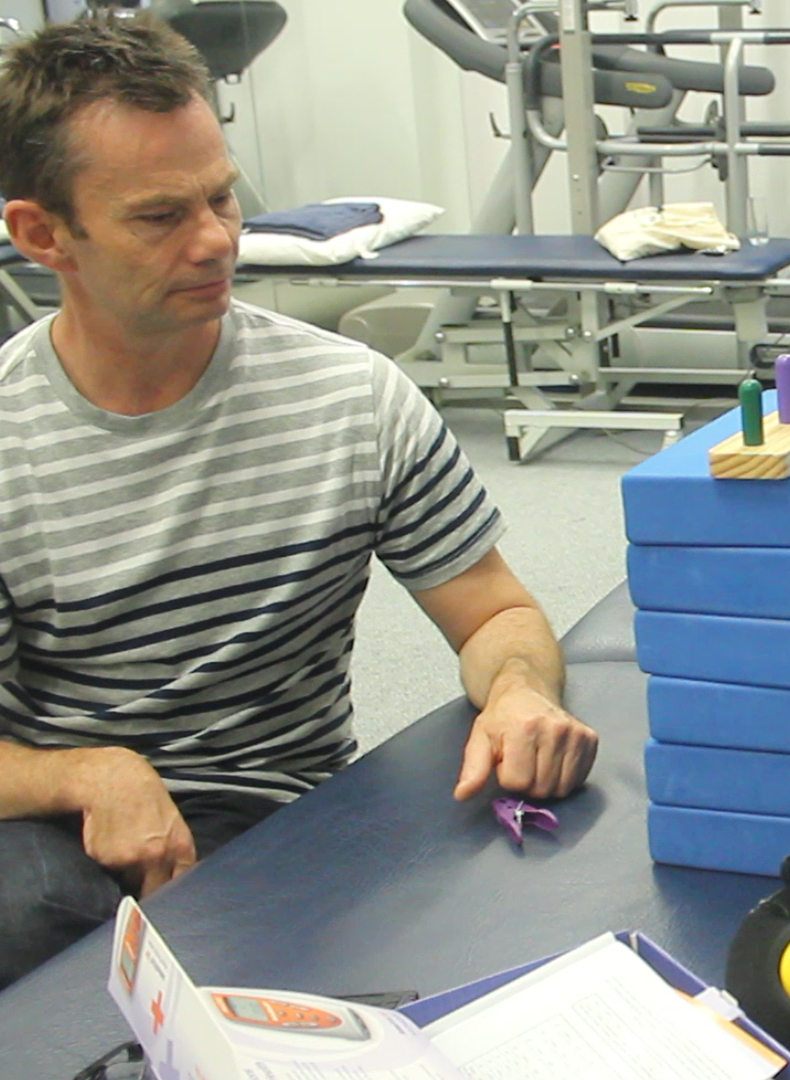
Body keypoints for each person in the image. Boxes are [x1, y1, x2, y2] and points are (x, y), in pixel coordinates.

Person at [0, 16, 598, 990]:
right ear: (42, 235)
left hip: (290, 813)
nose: (215, 241)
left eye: (222, 198)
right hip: (69, 832)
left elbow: (497, 612)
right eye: (160, 217)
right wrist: (84, 773)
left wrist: (522, 689)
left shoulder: (353, 398)